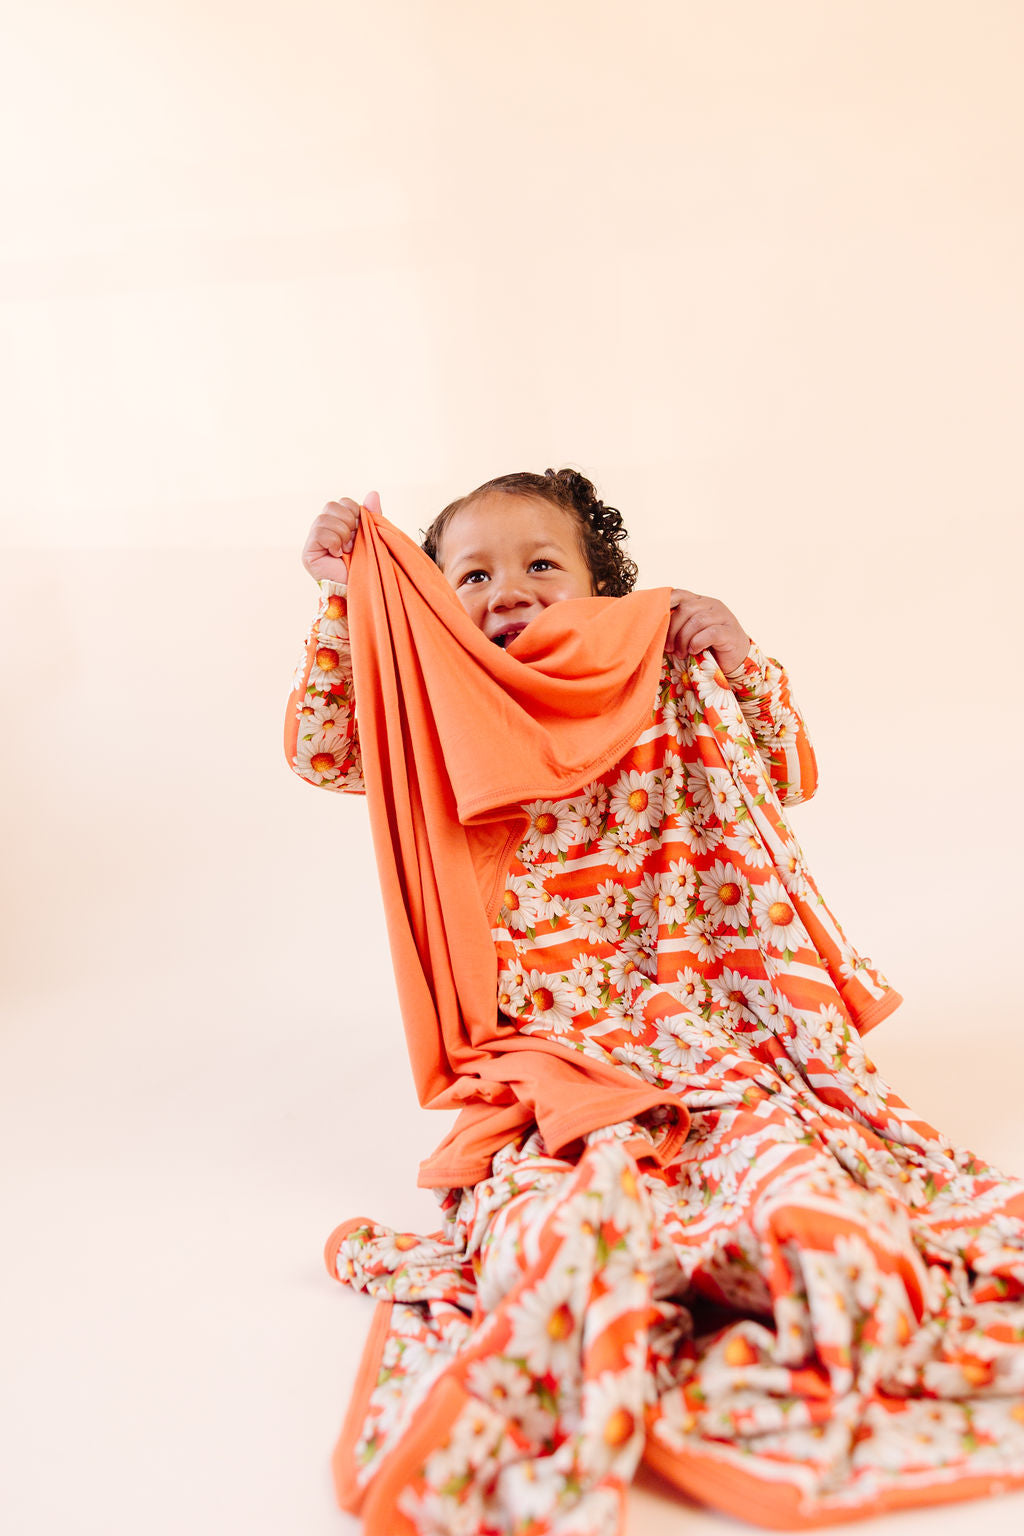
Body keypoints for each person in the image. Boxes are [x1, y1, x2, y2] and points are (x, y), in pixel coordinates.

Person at [284, 469, 1024, 1536]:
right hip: (550, 1036)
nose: (509, 590)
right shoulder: (438, 701)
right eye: (472, 573)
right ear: (434, 600)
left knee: (797, 1181)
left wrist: (737, 659)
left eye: (543, 563)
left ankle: (793, 1248)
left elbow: (777, 772)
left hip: (695, 1013)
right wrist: (345, 602)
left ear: (599, 581)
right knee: (571, 1210)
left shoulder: (649, 674)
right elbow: (327, 752)